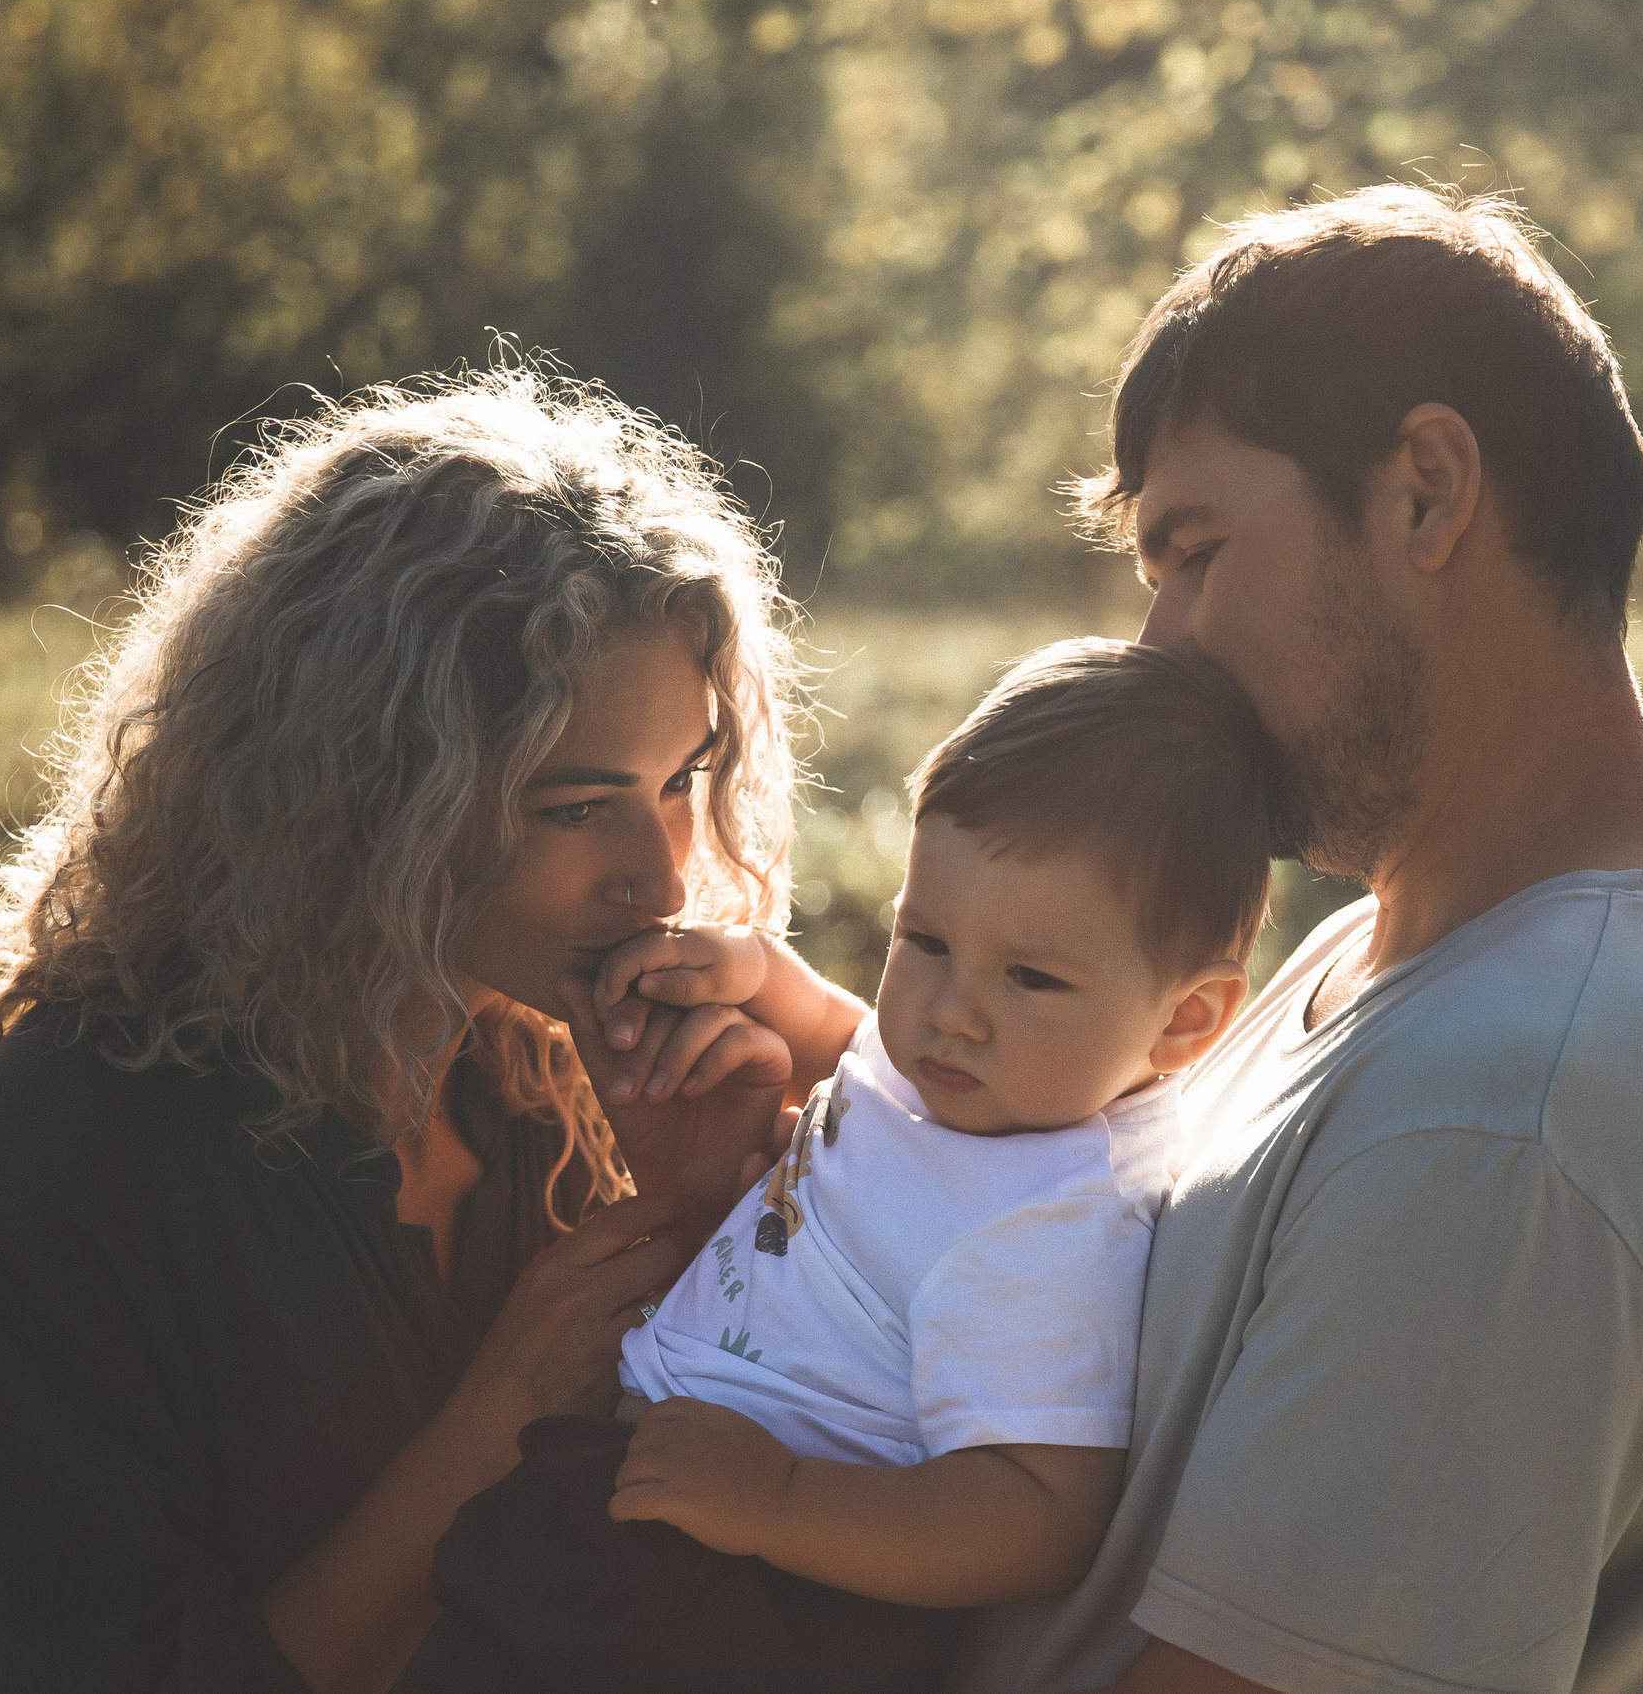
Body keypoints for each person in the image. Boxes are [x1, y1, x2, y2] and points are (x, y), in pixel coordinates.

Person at [939, 187, 1643, 1693]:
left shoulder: (1507, 1116)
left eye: (1198, 549)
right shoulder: (1406, 951)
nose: (1160, 645)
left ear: (1426, 489)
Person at [0, 370, 832, 1694]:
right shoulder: (82, 1142)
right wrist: (493, 1425)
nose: (663, 878)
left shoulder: (542, 1072)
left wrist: (707, 1211)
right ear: (377, 798)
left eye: (680, 783)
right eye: (575, 806)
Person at [399, 638, 1278, 1694]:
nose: (951, 1011)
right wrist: (752, 969)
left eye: (1031, 977)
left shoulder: (1051, 1223)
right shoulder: (985, 1078)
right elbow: (844, 1039)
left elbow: (1037, 1513)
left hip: (773, 1589)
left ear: (1185, 1018)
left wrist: (777, 1496)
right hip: (657, 1496)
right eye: (926, 938)